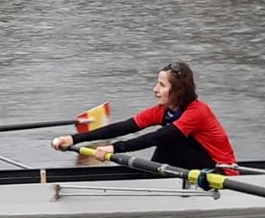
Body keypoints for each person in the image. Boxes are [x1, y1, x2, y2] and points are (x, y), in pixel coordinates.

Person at [51, 60, 236, 170]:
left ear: (177, 91)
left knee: (169, 139)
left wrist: (114, 149)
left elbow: (156, 137)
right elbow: (123, 127)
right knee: (167, 141)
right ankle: (150, 180)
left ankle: (151, 180)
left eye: (162, 85)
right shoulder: (165, 111)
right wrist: (73, 139)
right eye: (157, 84)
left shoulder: (198, 112)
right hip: (192, 164)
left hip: (220, 171)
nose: (155, 90)